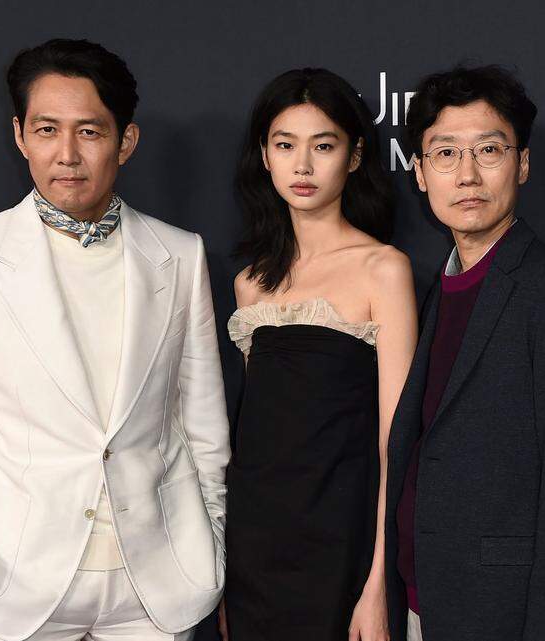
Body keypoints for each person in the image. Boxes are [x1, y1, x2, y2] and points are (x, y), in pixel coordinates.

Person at [0, 39, 230, 641]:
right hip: (15, 586)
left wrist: (209, 542)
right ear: (20, 135)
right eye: (48, 130)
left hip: (154, 587)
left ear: (125, 141)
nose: (68, 155)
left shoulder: (180, 255)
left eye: (90, 132)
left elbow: (202, 420)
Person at [384, 65, 545, 641]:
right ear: (418, 172)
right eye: (445, 154)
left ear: (523, 163)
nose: (467, 174)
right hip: (426, 602)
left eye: (489, 150)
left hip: (505, 612)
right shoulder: (441, 287)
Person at [222, 67, 417, 641]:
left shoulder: (384, 269)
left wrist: (378, 583)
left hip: (343, 549)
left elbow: (394, 440)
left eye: (323, 146)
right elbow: (263, 443)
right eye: (285, 146)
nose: (302, 166)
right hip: (256, 551)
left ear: (354, 157)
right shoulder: (249, 285)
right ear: (264, 155)